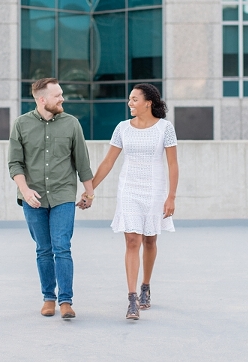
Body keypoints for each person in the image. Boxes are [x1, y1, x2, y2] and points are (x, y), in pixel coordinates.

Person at [8, 78, 96, 320]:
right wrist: (25, 191)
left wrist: (89, 193)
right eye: (57, 95)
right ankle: (48, 297)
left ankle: (66, 301)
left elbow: (82, 163)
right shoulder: (21, 125)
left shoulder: (72, 124)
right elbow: (15, 163)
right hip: (33, 197)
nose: (62, 99)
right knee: (43, 249)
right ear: (42, 99)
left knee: (62, 247)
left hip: (62, 195)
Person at [92, 83, 178, 320]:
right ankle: (132, 298)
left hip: (155, 190)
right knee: (132, 240)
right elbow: (108, 162)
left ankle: (145, 286)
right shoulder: (122, 128)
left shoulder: (165, 128)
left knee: (150, 241)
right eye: (129, 99)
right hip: (129, 189)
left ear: (148, 102)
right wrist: (90, 188)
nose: (129, 103)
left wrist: (171, 197)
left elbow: (172, 164)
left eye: (134, 99)